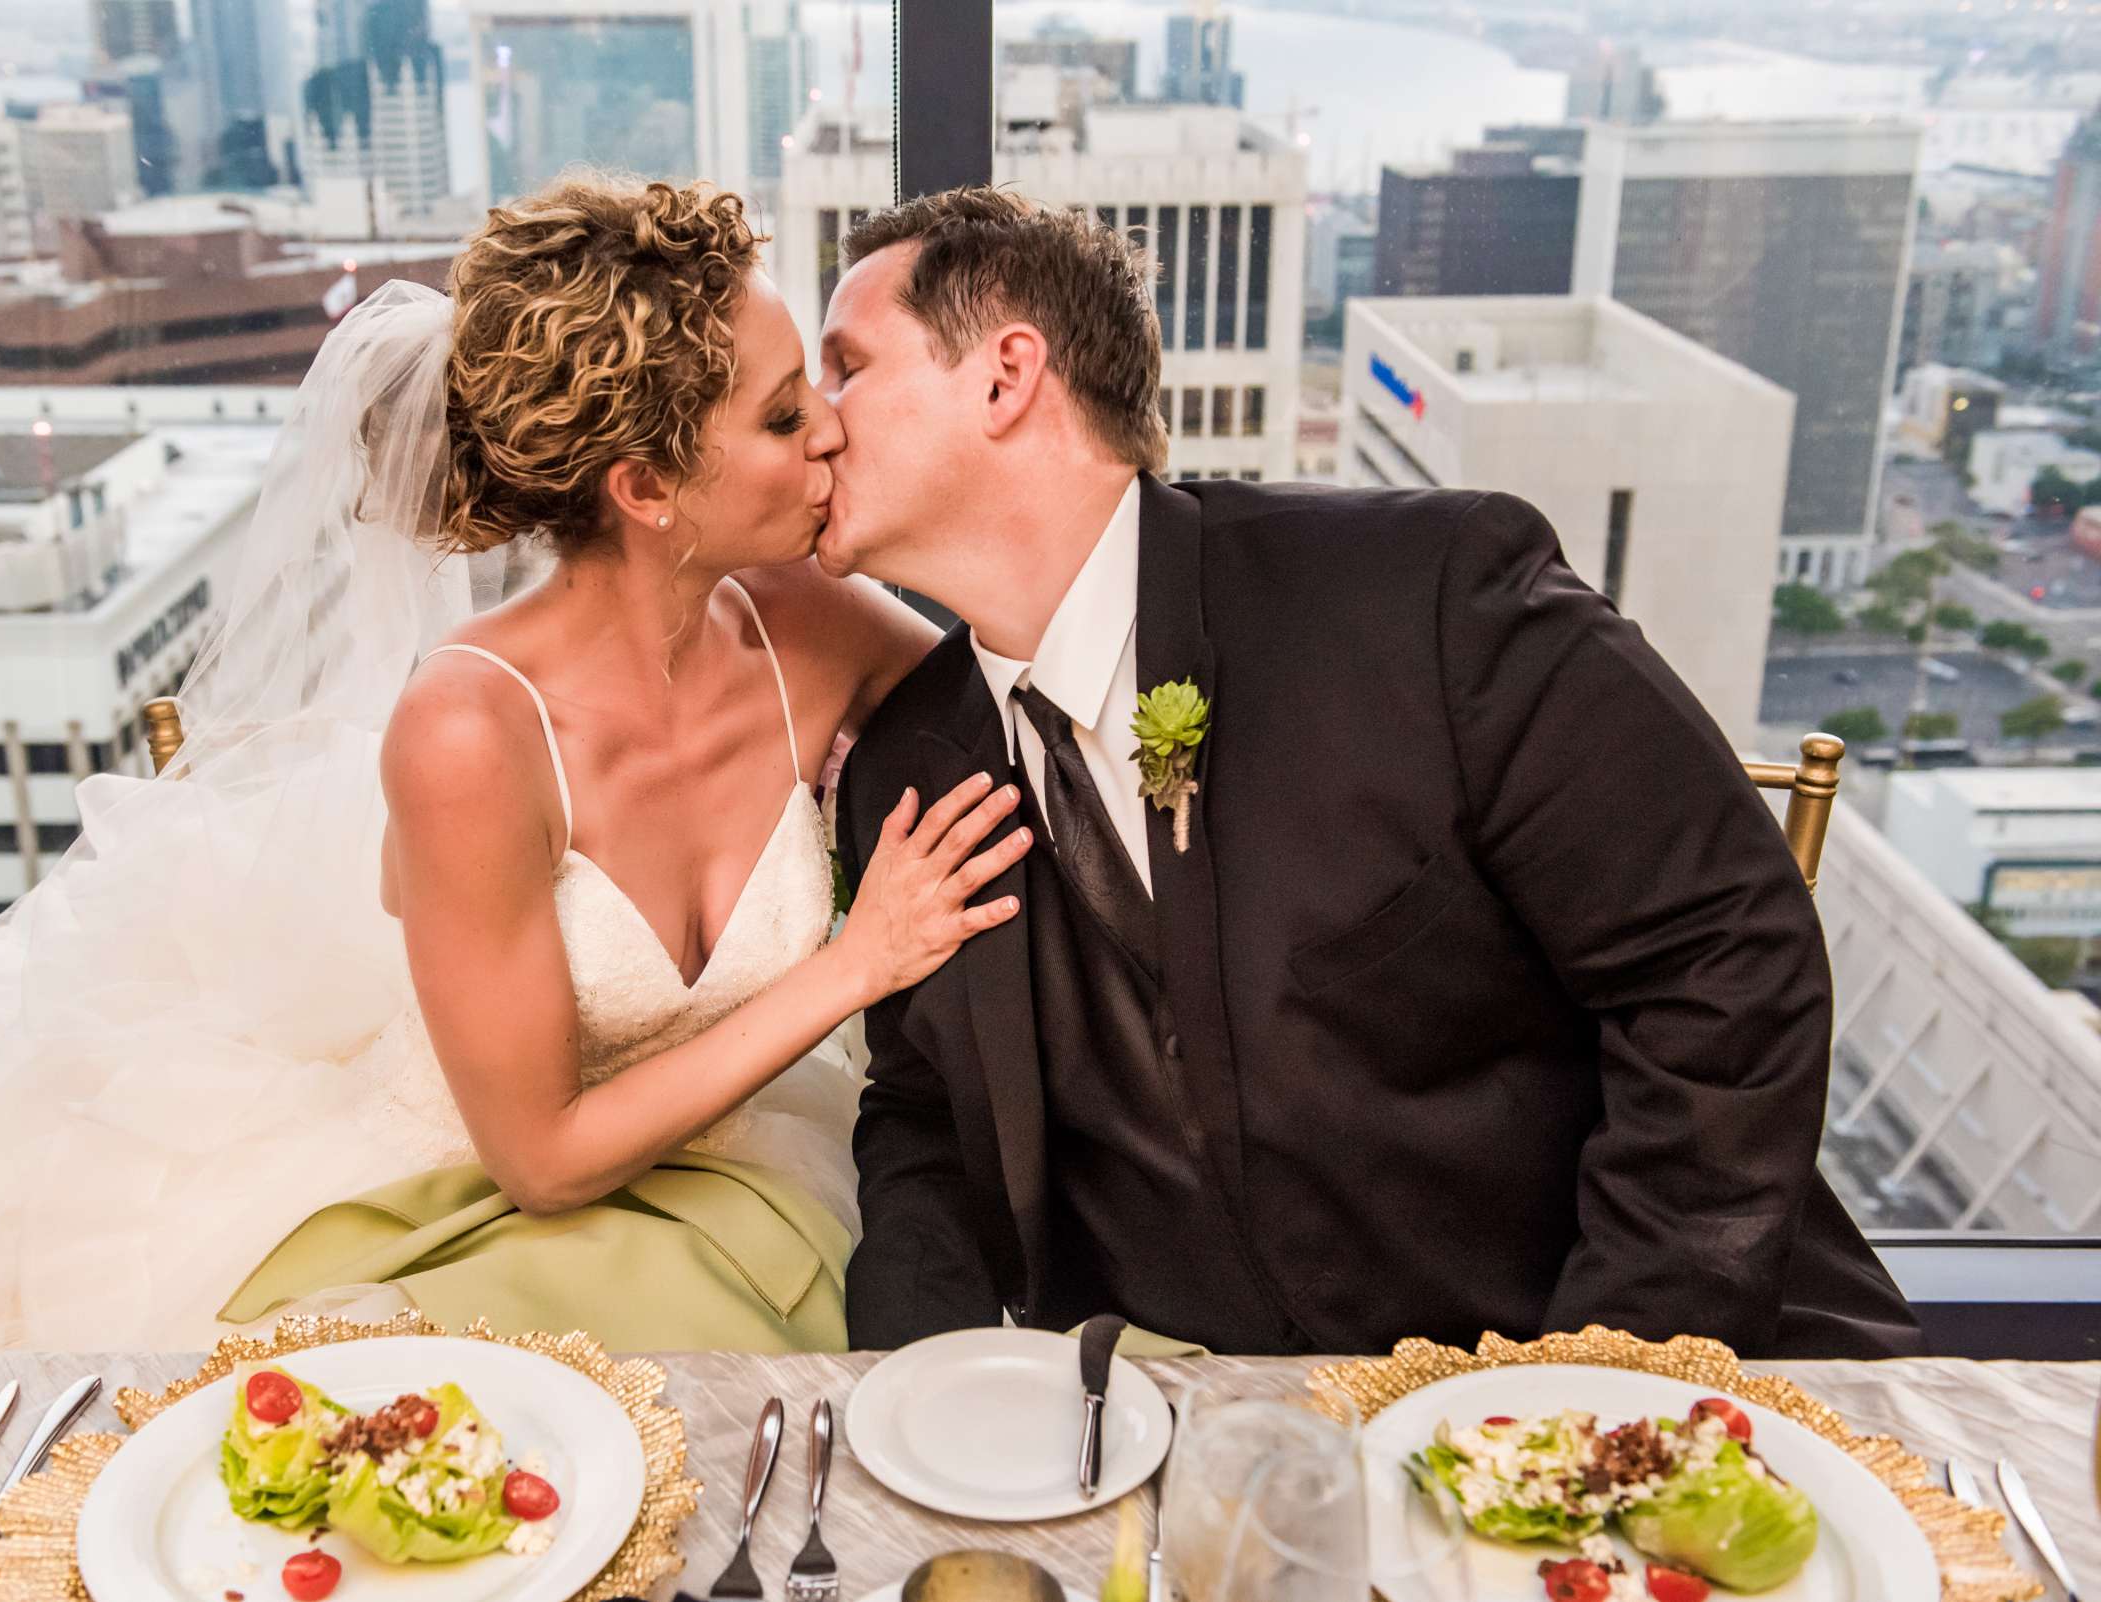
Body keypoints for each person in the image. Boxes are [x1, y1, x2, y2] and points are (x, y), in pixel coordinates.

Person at [0, 178, 1021, 1353]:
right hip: (487, 1203)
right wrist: (855, 964)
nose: (834, 436)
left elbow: (1012, 712)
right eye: (789, 413)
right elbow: (545, 1162)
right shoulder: (470, 732)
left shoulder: (810, 618)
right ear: (645, 486)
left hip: (758, 1160)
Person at [817, 187, 1924, 1359]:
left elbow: (1725, 964)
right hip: (1202, 1436)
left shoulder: (1429, 599)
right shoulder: (903, 769)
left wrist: (1604, 1383)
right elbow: (925, 1121)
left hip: (1618, 1372)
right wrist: (909, 1382)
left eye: (846, 367)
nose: (820, 422)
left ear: (1006, 377)